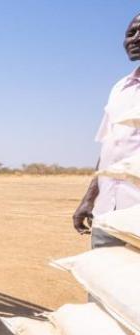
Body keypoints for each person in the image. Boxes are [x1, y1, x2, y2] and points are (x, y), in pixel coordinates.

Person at [73, 12, 140, 248]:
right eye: (130, 33)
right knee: (101, 282)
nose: (135, 39)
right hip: (107, 214)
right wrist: (89, 199)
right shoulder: (120, 88)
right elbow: (108, 151)